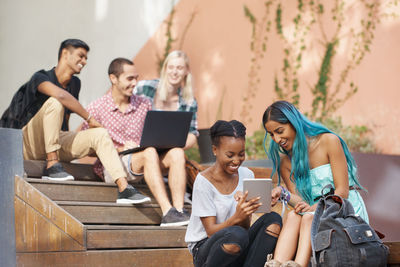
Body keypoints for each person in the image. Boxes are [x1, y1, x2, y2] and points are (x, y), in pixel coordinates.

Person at [0, 39, 150, 205]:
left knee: (99, 134)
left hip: (53, 141)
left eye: (86, 58)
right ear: (65, 54)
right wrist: (90, 118)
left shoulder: (74, 84)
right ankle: (52, 164)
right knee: (56, 102)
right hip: (23, 144)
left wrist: (71, 145)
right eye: (81, 56)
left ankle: (124, 188)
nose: (84, 61)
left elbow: (64, 121)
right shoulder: (41, 77)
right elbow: (61, 96)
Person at [82, 57, 189, 226]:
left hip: (145, 160)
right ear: (113, 79)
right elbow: (86, 149)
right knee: (149, 153)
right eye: (129, 78)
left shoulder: (144, 103)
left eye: (136, 78)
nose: (135, 83)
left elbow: (154, 134)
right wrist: (119, 149)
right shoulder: (96, 108)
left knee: (177, 152)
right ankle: (167, 212)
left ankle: (179, 211)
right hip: (114, 168)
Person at [263, 100, 369, 267]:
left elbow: (342, 191)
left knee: (307, 219)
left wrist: (315, 208)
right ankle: (276, 264)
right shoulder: (286, 162)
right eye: (271, 134)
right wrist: (284, 194)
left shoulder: (329, 141)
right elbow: (302, 203)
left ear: (293, 123)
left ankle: (299, 265)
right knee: (293, 216)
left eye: (279, 131)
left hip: (343, 209)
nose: (276, 139)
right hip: (314, 213)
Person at [185, 120, 282, 267]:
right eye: (230, 155)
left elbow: (244, 227)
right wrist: (237, 216)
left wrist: (246, 211)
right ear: (215, 150)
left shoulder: (247, 174)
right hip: (205, 249)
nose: (236, 161)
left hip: (237, 241)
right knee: (237, 234)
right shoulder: (203, 182)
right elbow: (210, 231)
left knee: (273, 219)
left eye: (241, 154)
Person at [134, 50, 198, 149]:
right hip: (140, 147)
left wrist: (174, 148)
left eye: (179, 68)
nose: (174, 72)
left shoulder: (189, 101)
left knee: (177, 154)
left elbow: (192, 134)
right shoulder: (144, 88)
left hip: (170, 150)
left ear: (187, 71)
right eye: (171, 67)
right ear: (165, 69)